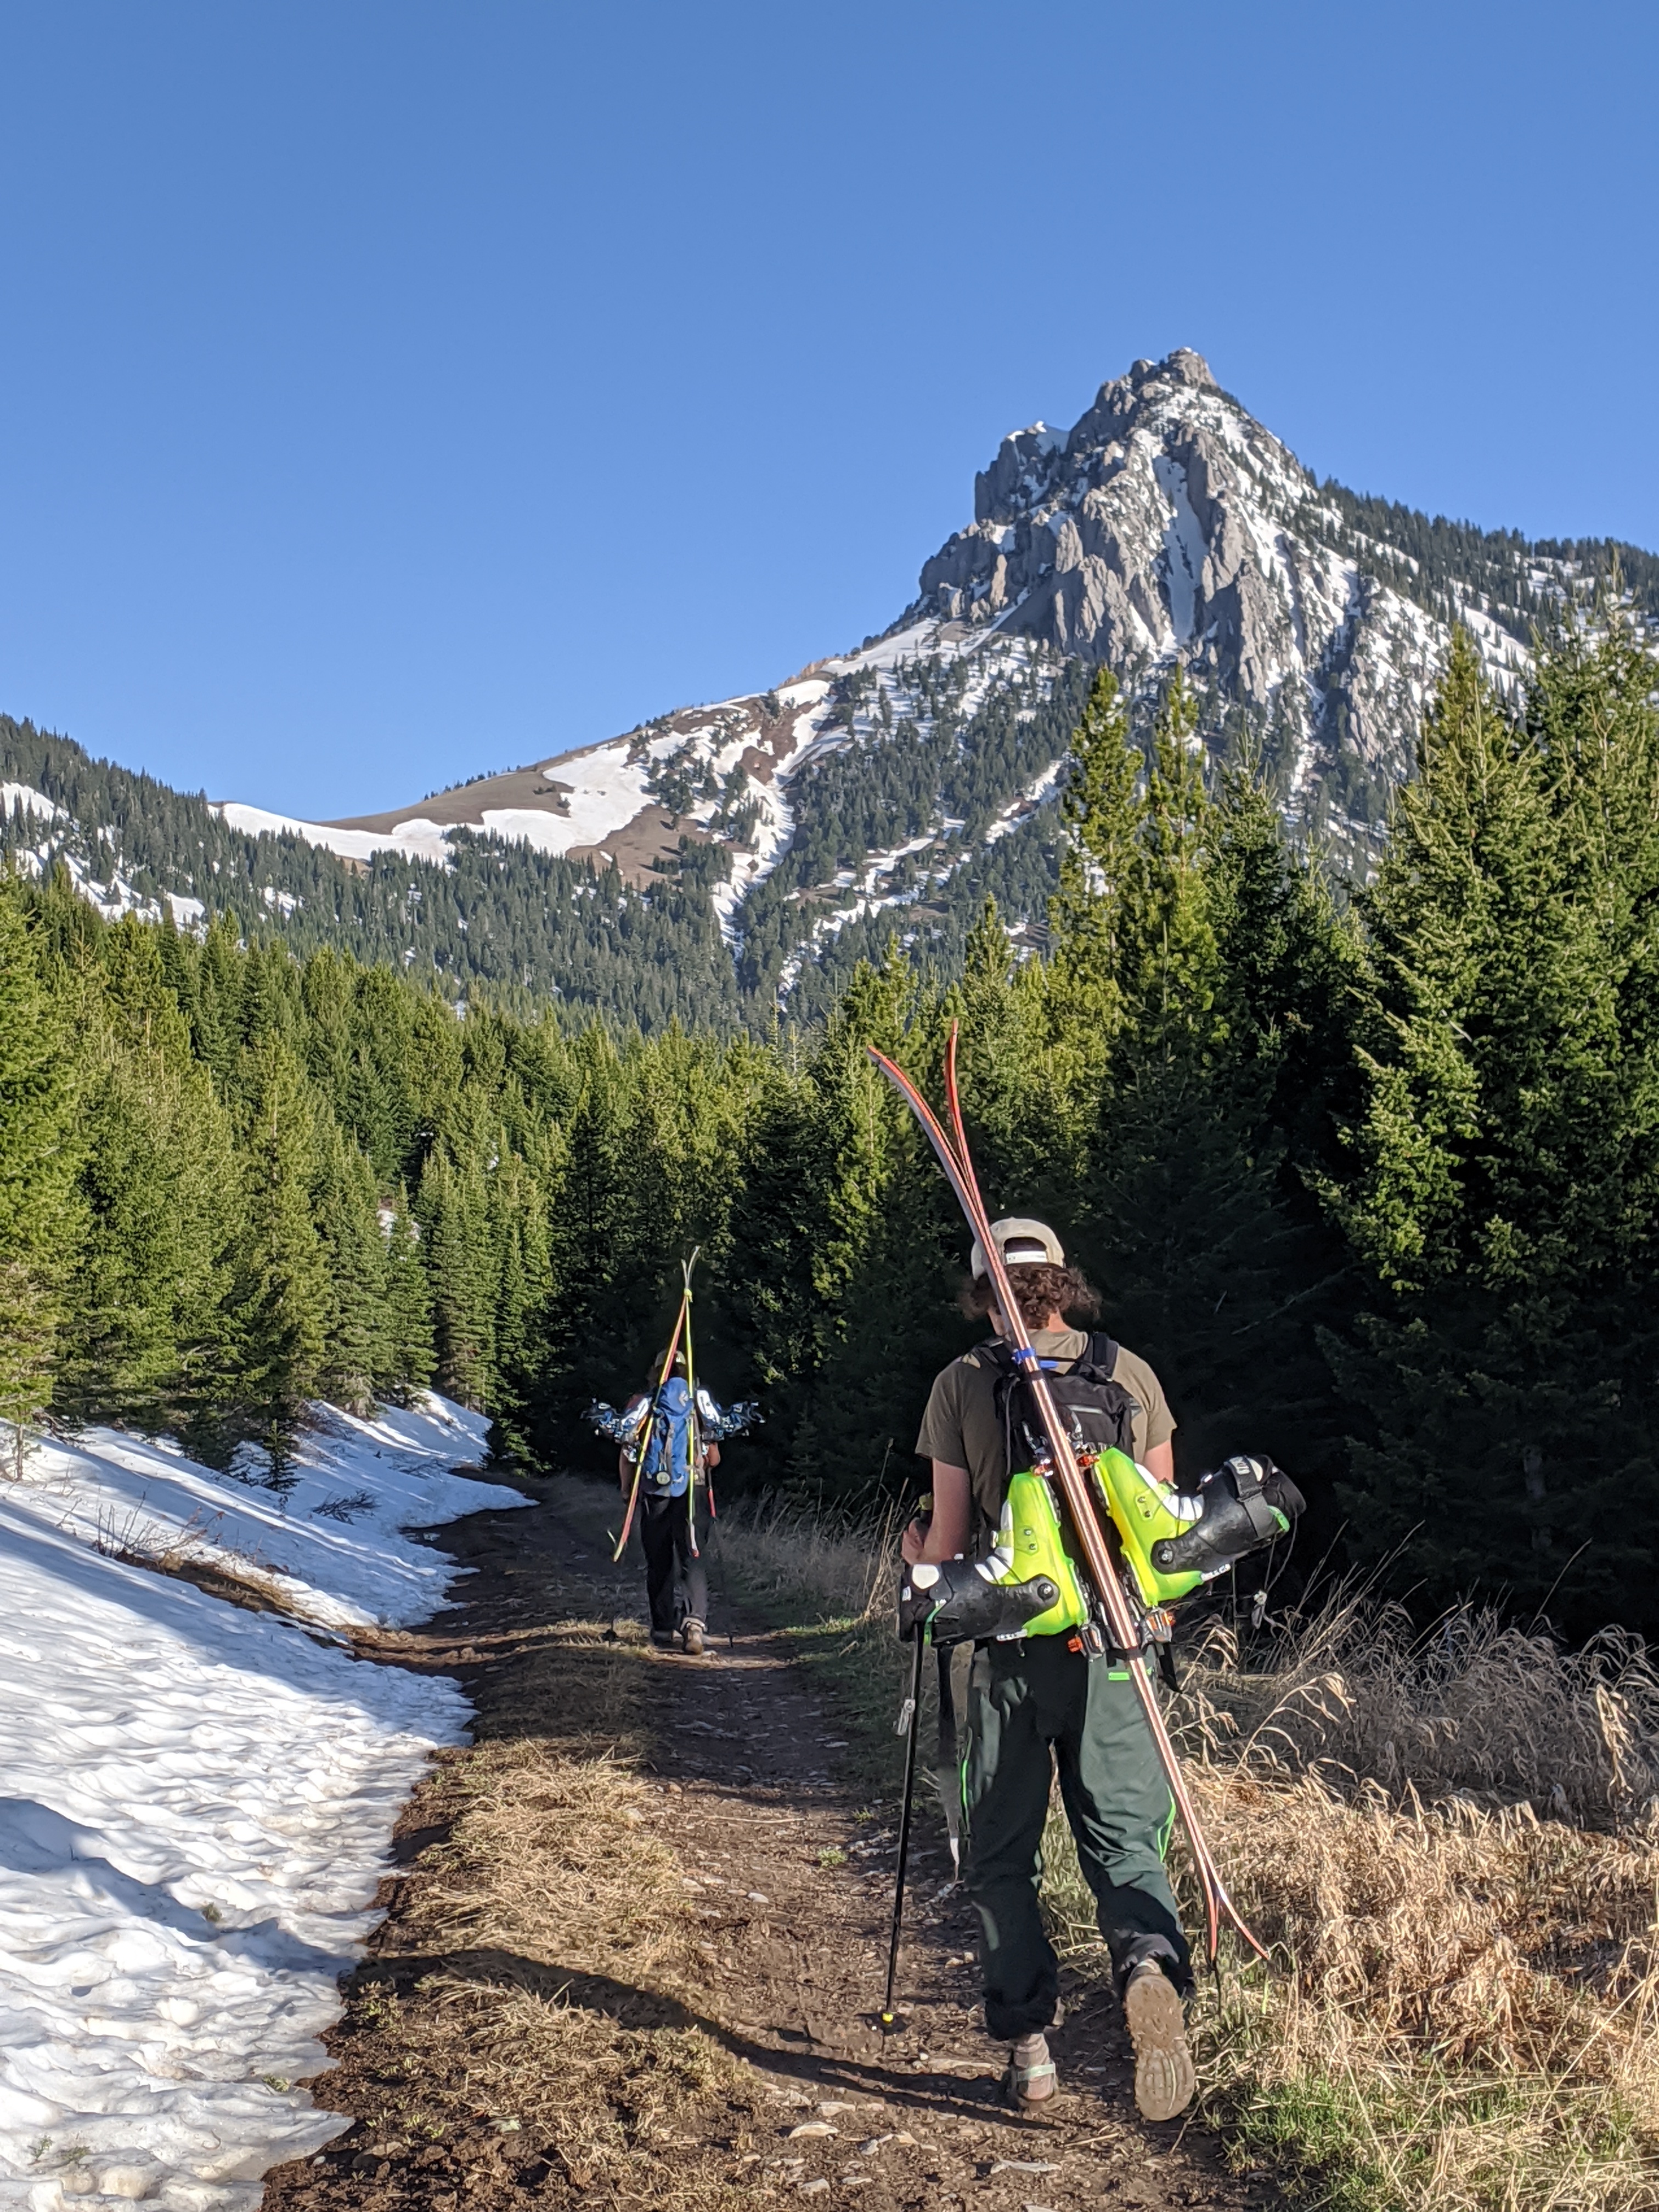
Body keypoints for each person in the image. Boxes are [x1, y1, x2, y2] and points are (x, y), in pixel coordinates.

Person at [907, 1217, 1196, 2122]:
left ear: (985, 1294)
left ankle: (1028, 2050)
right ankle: (1145, 1960)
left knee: (1000, 1854)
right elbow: (1167, 1526)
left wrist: (912, 1551)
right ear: (1063, 1286)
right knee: (1121, 1841)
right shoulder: (1128, 1373)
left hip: (1008, 1653)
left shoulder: (961, 1382)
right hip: (1116, 1648)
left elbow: (948, 1547)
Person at [618, 1349, 722, 1656]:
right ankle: (694, 1626)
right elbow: (714, 1457)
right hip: (694, 1489)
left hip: (654, 1490)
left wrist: (627, 1490)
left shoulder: (642, 1403)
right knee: (693, 1555)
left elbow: (627, 1453)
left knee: (659, 1558)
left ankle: (663, 1628)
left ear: (657, 1371)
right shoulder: (698, 1404)